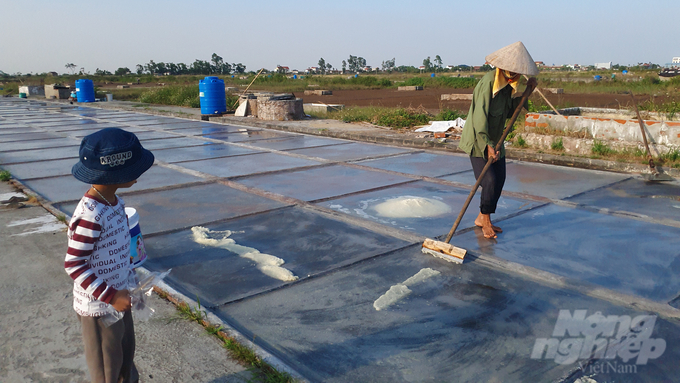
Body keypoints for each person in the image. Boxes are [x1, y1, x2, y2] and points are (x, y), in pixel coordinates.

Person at [65, 127, 154, 383]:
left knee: (126, 356)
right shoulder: (91, 216)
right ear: (115, 172)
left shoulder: (115, 202)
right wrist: (112, 295)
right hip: (99, 307)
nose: (139, 174)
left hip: (119, 297)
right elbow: (74, 264)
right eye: (135, 168)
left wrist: (130, 284)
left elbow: (117, 250)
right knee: (108, 367)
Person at [459, 41, 538, 239]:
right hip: (478, 140)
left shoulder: (509, 86)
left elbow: (511, 111)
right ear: (504, 68)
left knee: (500, 179)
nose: (517, 75)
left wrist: (528, 92)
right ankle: (485, 220)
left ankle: (482, 216)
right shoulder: (488, 84)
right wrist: (487, 145)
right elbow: (480, 118)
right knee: (489, 180)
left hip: (497, 140)